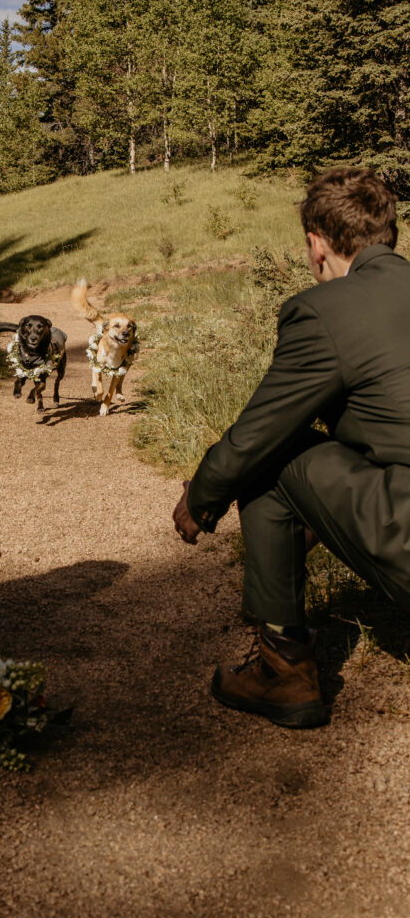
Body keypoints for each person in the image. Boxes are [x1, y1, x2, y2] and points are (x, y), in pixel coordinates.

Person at [172, 166, 410, 728]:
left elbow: (259, 433)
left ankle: (283, 671)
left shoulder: (324, 310)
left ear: (316, 243)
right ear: (389, 235)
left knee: (272, 455)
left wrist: (203, 499)